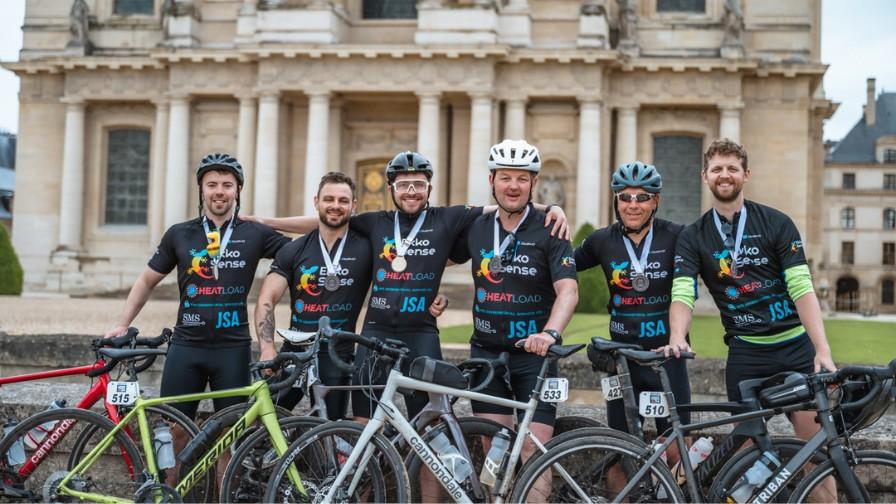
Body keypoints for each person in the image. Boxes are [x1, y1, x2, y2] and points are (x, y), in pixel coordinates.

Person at [250, 150, 569, 421]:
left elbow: (503, 205)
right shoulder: (375, 222)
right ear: (392, 188)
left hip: (422, 335)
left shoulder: (450, 217)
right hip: (374, 336)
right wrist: (268, 222)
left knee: (431, 427)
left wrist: (550, 208)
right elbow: (327, 220)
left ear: (430, 188)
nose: (411, 190)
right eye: (404, 184)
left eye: (418, 184)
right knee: (362, 426)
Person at [661, 138, 836, 443]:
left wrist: (822, 348)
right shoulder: (693, 236)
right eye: (716, 169)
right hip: (746, 353)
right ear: (705, 176)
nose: (724, 174)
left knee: (817, 448)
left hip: (795, 347)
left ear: (746, 174)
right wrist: (677, 336)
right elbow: (683, 293)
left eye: (732, 168)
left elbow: (800, 286)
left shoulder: (777, 222)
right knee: (743, 452)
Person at [105, 153, 290, 420]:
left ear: (238, 190)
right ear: (201, 190)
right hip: (187, 344)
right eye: (212, 184)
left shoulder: (255, 233)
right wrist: (123, 323)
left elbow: (311, 244)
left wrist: (267, 222)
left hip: (233, 347)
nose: (219, 192)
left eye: (227, 185)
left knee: (229, 434)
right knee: (174, 429)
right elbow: (147, 280)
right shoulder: (179, 233)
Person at [453, 139, 578, 469]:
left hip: (535, 356)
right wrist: (431, 298)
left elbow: (568, 290)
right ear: (492, 180)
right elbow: (433, 261)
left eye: (522, 178)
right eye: (506, 177)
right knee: (494, 447)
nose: (513, 186)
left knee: (534, 451)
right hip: (486, 352)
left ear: (534, 183)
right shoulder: (476, 227)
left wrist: (550, 333)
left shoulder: (551, 228)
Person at [574, 161, 691, 441]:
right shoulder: (600, 240)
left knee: (678, 446)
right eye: (625, 197)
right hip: (622, 361)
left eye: (642, 197)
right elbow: (559, 266)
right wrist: (546, 210)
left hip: (666, 358)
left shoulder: (678, 235)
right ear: (617, 200)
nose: (633, 205)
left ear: (656, 201)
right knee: (619, 451)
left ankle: (668, 487)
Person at [254, 172, 372, 420]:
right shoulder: (294, 249)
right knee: (263, 421)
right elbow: (266, 298)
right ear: (316, 201)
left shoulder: (367, 247)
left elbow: (404, 273)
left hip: (337, 355)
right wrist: (266, 348)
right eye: (329, 199)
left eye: (343, 200)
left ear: (353, 206)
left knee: (330, 430)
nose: (335, 206)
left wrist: (433, 296)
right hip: (295, 351)